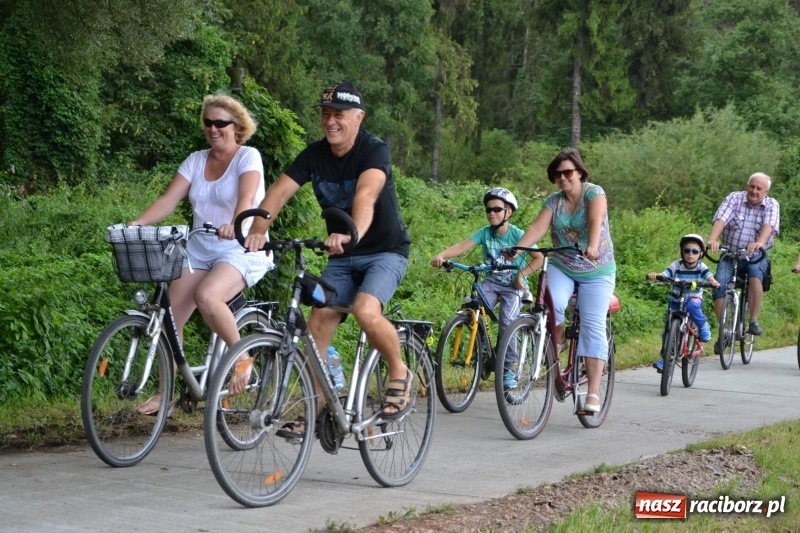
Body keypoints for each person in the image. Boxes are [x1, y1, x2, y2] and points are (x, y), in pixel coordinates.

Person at [243, 81, 413, 437]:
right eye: (325, 114)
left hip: (383, 251)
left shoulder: (374, 150)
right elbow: (278, 193)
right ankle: (316, 408)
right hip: (341, 256)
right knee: (318, 319)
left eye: (339, 115)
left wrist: (352, 234)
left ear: (358, 117)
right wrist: (258, 228)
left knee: (367, 310)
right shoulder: (314, 155)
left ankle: (399, 370)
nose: (330, 122)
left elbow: (366, 196)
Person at [129, 94, 272, 414]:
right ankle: (165, 396)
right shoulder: (195, 160)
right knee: (168, 320)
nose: (213, 128)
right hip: (199, 250)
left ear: (237, 127)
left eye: (221, 123)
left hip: (239, 247)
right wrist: (137, 223)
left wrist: (234, 223)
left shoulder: (248, 157)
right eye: (208, 122)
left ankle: (242, 358)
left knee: (209, 297)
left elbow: (247, 198)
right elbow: (168, 199)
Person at [511, 147, 616, 413]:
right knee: (551, 304)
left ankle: (592, 393)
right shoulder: (554, 201)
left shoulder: (594, 193)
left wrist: (592, 245)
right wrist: (516, 250)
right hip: (563, 264)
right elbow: (537, 228)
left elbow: (595, 220)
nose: (563, 177)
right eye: (557, 174)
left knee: (592, 324)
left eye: (568, 172)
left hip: (596, 268)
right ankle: (558, 341)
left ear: (580, 172)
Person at [431, 188, 543, 388]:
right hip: (491, 282)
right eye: (488, 210)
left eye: (497, 209)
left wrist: (521, 274)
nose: (492, 213)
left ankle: (508, 367)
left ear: (508, 213)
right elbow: (462, 246)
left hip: (512, 286)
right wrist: (442, 255)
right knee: (473, 308)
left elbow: (539, 258)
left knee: (507, 321)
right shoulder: (484, 232)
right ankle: (482, 353)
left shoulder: (518, 235)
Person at [707, 172, 779, 351]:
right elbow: (721, 218)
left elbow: (768, 226)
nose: (754, 191)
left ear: (766, 191)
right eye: (751, 186)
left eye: (758, 188)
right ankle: (725, 330)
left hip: (755, 254)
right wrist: (713, 240)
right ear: (747, 186)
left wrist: (760, 243)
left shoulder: (771, 204)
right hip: (731, 253)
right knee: (718, 286)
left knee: (756, 276)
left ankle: (753, 320)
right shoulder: (734, 198)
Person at [647, 234, 720, 372]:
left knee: (692, 305)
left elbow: (709, 277)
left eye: (694, 251)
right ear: (682, 252)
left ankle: (703, 325)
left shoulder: (701, 266)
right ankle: (666, 357)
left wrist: (713, 282)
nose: (690, 254)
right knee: (668, 329)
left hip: (694, 299)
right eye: (687, 251)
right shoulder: (677, 265)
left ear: (701, 253)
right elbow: (665, 274)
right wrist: (657, 276)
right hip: (676, 300)